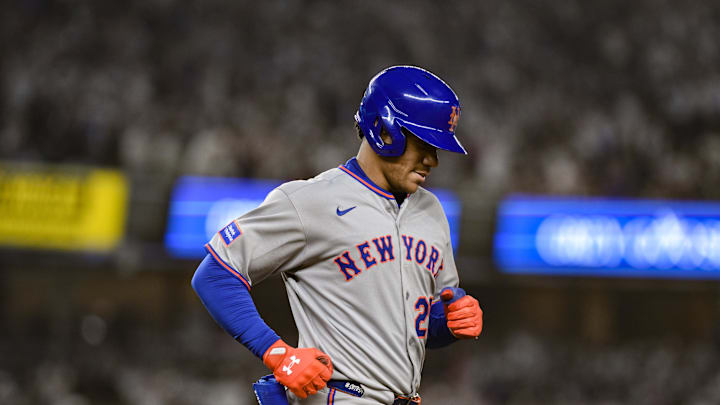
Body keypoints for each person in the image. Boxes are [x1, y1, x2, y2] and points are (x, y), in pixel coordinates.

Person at [191, 65, 483, 405]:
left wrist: (446, 322)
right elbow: (213, 275)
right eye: (423, 143)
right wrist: (278, 353)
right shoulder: (312, 201)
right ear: (384, 131)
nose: (432, 160)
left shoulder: (431, 212)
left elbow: (413, 327)